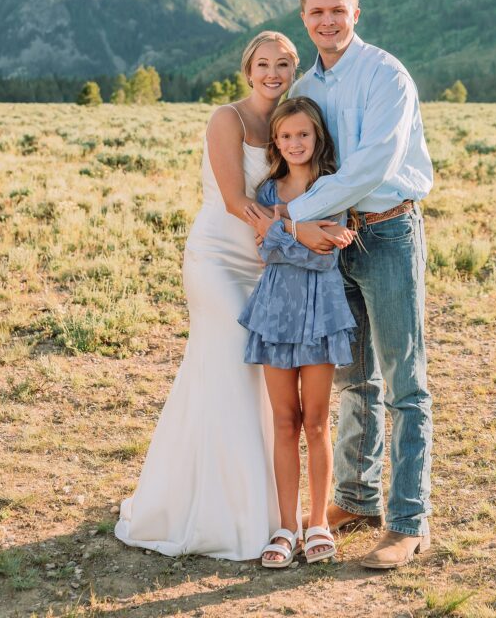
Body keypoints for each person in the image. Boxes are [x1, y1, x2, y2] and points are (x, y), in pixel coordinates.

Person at [114, 31, 352, 561]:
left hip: (273, 269)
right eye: (263, 64)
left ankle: (275, 513)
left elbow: (311, 191)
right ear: (248, 71)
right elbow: (235, 200)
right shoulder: (228, 119)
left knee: (262, 387)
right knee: (227, 361)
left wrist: (299, 230)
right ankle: (220, 510)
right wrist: (298, 231)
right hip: (221, 258)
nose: (273, 73)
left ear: (295, 71)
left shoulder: (294, 124)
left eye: (284, 64)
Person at [253, 0, 434, 570]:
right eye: (315, 13)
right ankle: (356, 499)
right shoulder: (306, 84)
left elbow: (370, 163)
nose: (326, 21)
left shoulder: (387, 75)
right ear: (303, 18)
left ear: (356, 9)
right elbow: (298, 150)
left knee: (405, 380)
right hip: (333, 245)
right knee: (356, 378)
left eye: (337, 9)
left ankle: (409, 522)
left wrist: (290, 217)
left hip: (384, 231)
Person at [240, 98, 357, 567]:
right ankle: (286, 526)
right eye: (286, 136)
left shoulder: (333, 189)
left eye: (303, 135)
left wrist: (284, 232)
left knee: (316, 422)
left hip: (322, 313)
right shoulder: (267, 191)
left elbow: (325, 257)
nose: (295, 143)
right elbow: (267, 254)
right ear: (276, 142)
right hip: (276, 314)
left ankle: (317, 523)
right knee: (285, 422)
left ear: (317, 138)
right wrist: (302, 233)